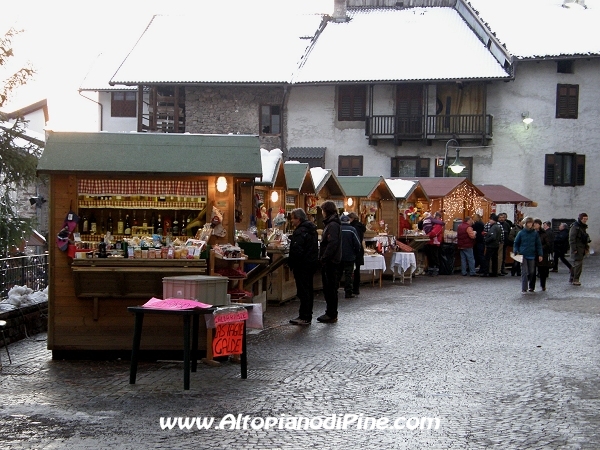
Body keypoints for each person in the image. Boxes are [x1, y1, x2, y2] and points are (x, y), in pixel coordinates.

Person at [288, 208, 319, 326]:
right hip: (309, 264)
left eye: (293, 218)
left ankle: (304, 316)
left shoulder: (301, 231)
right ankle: (306, 315)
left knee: (304, 291)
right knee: (308, 290)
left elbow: (297, 250)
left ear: (298, 219)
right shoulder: (311, 230)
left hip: (302, 265)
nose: (291, 221)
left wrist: (293, 263)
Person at [317, 201, 342, 323]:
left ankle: (331, 313)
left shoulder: (332, 225)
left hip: (331, 262)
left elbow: (332, 243)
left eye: (322, 210)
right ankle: (330, 312)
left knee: (330, 288)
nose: (321, 213)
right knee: (329, 288)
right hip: (331, 260)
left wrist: (324, 257)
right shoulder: (332, 223)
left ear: (326, 211)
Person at [513, 216, 542, 293]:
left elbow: (538, 244)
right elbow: (516, 243)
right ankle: (524, 287)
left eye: (531, 223)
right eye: (528, 223)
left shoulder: (535, 234)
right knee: (524, 272)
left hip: (532, 254)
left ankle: (531, 286)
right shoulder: (521, 233)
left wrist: (540, 254)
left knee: (532, 272)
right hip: (523, 255)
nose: (530, 224)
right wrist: (516, 250)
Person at [339, 214, 362, 298]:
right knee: (348, 274)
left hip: (338, 256)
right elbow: (357, 243)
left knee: (338, 274)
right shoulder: (352, 230)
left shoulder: (337, 229)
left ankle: (334, 290)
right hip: (349, 256)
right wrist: (355, 252)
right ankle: (348, 292)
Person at [569, 212, 590, 286]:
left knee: (576, 264)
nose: (585, 220)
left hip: (581, 248)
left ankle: (572, 278)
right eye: (584, 219)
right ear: (580, 218)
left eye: (586, 219)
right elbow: (572, 238)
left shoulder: (582, 226)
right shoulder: (576, 226)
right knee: (578, 264)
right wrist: (574, 248)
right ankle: (575, 279)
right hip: (577, 248)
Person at [348, 212, 366, 296]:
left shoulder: (353, 227)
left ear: (352, 218)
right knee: (357, 270)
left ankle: (352, 288)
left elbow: (355, 240)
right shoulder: (360, 226)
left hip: (354, 250)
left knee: (352, 270)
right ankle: (356, 288)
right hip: (359, 250)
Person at [534, 218, 552, 291]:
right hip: (533, 253)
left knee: (542, 271)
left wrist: (540, 247)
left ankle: (543, 285)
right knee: (532, 271)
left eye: (536, 224)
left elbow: (548, 244)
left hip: (542, 254)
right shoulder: (532, 232)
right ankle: (532, 286)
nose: (534, 225)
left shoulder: (544, 233)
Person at [424, 211, 444, 276]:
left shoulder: (438, 224)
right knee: (431, 256)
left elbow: (434, 233)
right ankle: (431, 269)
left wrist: (427, 235)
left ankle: (435, 269)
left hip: (435, 242)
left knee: (434, 256)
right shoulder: (435, 223)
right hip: (431, 242)